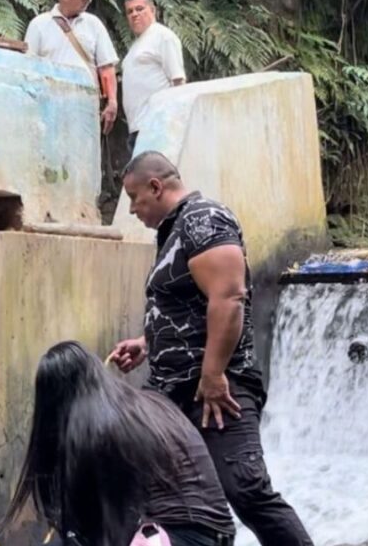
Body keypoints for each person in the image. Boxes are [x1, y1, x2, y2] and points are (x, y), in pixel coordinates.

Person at [110, 152, 313, 546]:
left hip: (217, 389)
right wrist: (147, 342)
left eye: (134, 198)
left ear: (156, 187)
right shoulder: (173, 230)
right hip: (172, 390)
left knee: (246, 490)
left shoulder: (203, 219)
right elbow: (189, 306)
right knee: (141, 484)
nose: (132, 209)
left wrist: (214, 373)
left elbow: (230, 297)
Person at [3, 340, 236, 546]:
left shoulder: (97, 429)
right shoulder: (142, 404)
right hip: (218, 534)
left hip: (183, 535)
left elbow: (111, 526)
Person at [24, 0, 119, 134]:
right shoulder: (39, 25)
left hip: (86, 105)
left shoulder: (93, 24)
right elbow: (28, 69)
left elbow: (106, 67)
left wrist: (112, 101)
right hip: (50, 105)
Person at [121, 0, 186, 150]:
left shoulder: (163, 37)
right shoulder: (137, 45)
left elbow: (178, 81)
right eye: (130, 11)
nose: (134, 14)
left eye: (139, 9)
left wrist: (176, 123)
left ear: (153, 10)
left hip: (158, 125)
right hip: (138, 127)